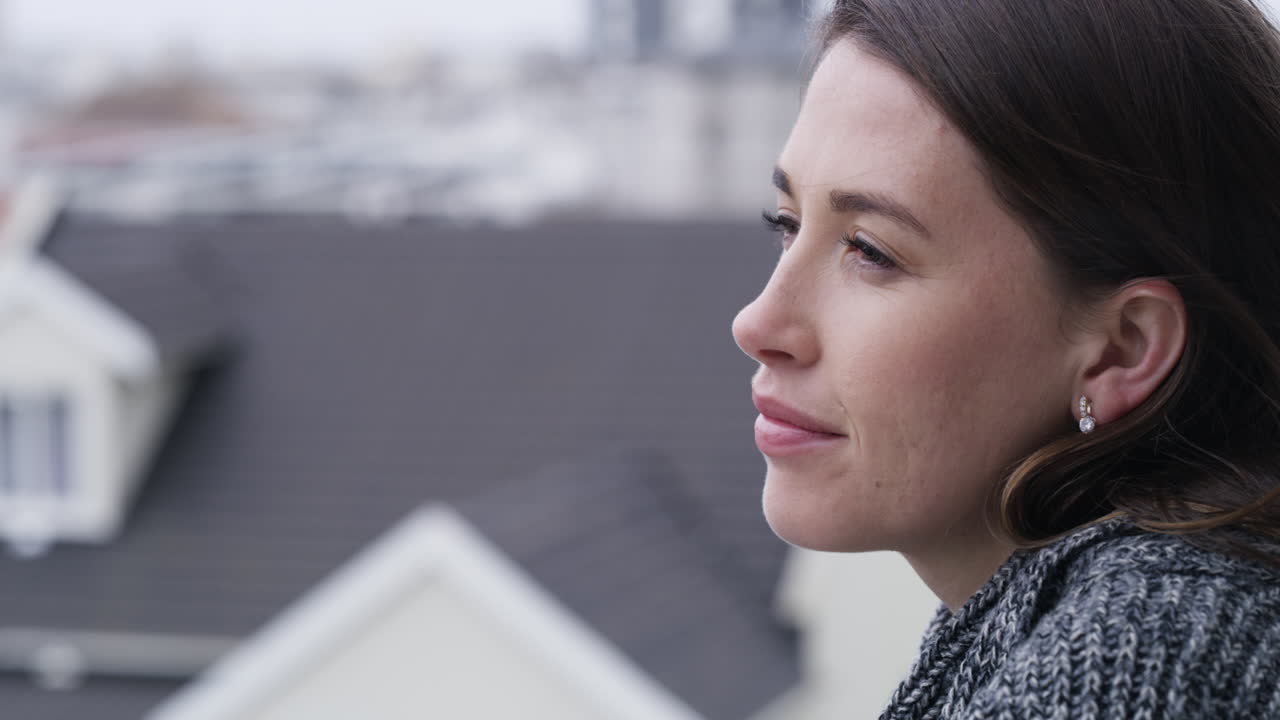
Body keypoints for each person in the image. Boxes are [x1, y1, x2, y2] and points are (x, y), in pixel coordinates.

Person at [730, 0, 1280, 717]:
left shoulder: (1132, 668)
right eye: (786, 223)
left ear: (1124, 349)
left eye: (871, 251)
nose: (757, 324)